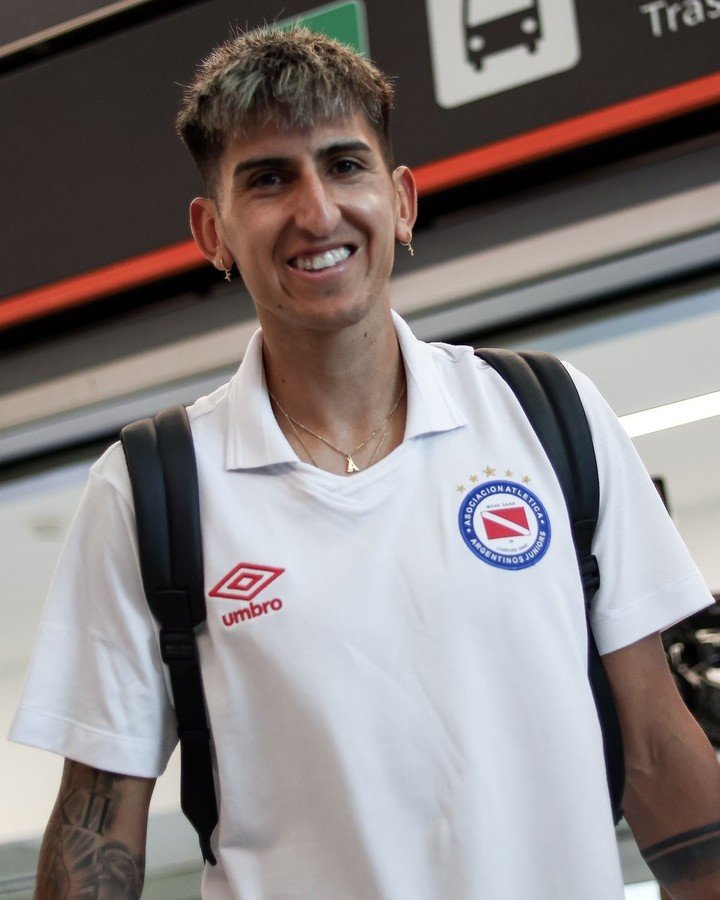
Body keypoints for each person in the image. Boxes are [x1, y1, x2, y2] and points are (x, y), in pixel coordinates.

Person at [10, 26, 720, 900]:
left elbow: (657, 750)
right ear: (212, 232)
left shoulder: (546, 415)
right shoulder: (150, 490)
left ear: (402, 200)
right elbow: (98, 829)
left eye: (344, 165)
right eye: (268, 179)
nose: (317, 212)